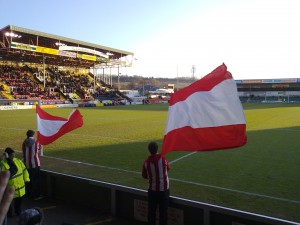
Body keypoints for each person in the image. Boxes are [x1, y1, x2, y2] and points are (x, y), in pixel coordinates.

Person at [142, 142, 170, 225]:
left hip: (152, 191)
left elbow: (144, 176)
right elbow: (168, 169)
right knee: (163, 213)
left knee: (151, 213)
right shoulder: (163, 159)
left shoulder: (146, 162)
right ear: (157, 149)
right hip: (164, 190)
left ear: (149, 150)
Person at [1, 148, 30, 217]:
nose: (13, 156)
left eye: (14, 154)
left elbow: (24, 170)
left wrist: (26, 179)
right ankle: (9, 214)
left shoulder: (18, 161)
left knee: (18, 205)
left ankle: (17, 213)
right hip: (10, 190)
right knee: (8, 205)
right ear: (7, 155)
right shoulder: (3, 164)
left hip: (20, 189)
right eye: (12, 155)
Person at [22, 130, 43, 200]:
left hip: (27, 164)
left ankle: (28, 194)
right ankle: (36, 196)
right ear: (33, 135)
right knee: (36, 180)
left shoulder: (24, 143)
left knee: (29, 179)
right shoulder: (36, 142)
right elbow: (40, 148)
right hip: (35, 164)